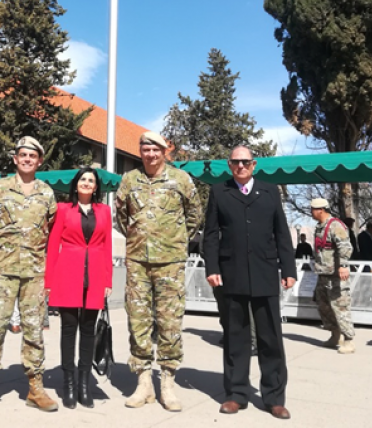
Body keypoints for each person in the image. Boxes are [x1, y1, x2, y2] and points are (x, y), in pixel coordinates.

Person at [203, 146, 296, 420]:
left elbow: (281, 232)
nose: (240, 166)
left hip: (265, 272)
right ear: (229, 165)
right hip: (231, 275)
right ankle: (236, 394)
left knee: (271, 339)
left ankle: (275, 398)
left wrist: (288, 268)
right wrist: (212, 267)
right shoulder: (219, 191)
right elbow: (210, 234)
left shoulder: (270, 191)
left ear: (254, 164)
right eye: (235, 162)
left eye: (245, 162)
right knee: (235, 338)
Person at [114, 131, 203, 412]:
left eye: (155, 149)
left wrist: (174, 240)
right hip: (138, 261)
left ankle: (167, 383)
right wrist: (139, 238)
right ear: (140, 152)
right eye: (145, 149)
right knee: (137, 320)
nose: (150, 154)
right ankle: (143, 383)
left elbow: (194, 214)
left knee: (170, 322)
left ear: (165, 152)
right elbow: (121, 216)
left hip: (171, 262)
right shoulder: (130, 180)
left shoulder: (180, 180)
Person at [0, 136, 58, 415]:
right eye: (23, 155)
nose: (28, 159)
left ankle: (35, 388)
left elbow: (52, 227)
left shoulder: (46, 192)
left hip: (34, 272)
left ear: (40, 161)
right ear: (15, 159)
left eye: (33, 155)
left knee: (34, 330)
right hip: (3, 270)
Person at [44, 167, 113, 409]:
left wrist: (108, 281)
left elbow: (106, 246)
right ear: (76, 184)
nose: (86, 183)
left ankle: (85, 385)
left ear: (96, 187)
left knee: (88, 329)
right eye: (83, 179)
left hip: (94, 274)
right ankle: (69, 385)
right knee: (68, 329)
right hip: (67, 272)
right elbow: (53, 246)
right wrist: (49, 282)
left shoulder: (104, 211)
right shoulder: (63, 209)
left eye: (91, 180)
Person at [310, 198, 356, 354]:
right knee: (324, 306)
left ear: (320, 210)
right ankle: (335, 335)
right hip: (323, 274)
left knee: (340, 306)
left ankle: (348, 340)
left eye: (312, 209)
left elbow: (345, 246)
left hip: (336, 276)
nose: (311, 212)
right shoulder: (319, 227)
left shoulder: (335, 226)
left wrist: (343, 265)